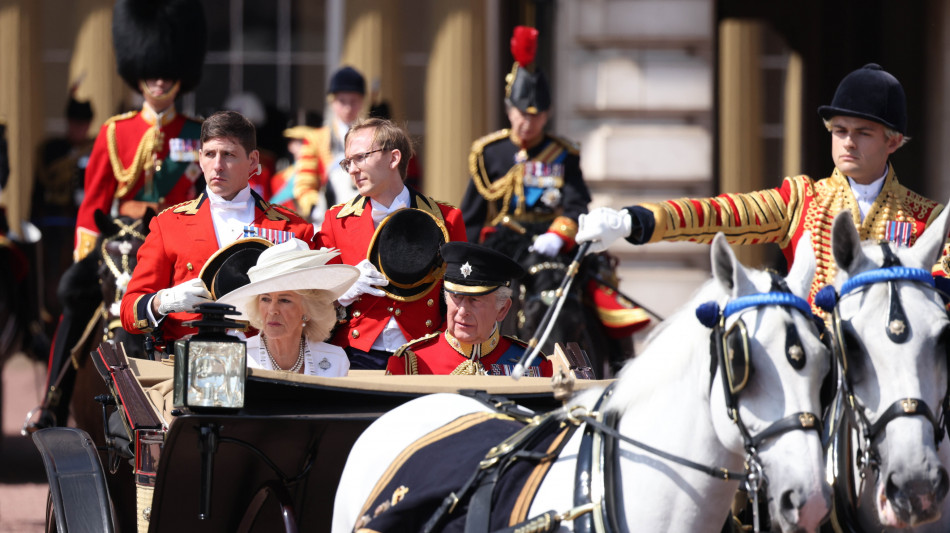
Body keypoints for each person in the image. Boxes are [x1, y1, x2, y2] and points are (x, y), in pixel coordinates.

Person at [576, 63, 947, 303]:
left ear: (892, 142)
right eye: (840, 130)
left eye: (863, 133)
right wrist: (635, 220)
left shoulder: (927, 218)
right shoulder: (802, 199)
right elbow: (721, 215)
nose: (848, 142)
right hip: (812, 370)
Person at [120, 110, 316, 346]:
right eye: (210, 154)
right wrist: (164, 301)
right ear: (200, 158)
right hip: (191, 356)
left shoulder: (293, 228)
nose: (218, 166)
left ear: (253, 160)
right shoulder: (169, 224)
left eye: (229, 155)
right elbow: (129, 311)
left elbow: (317, 307)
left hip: (267, 357)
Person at [314, 117, 467, 369]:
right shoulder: (336, 221)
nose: (352, 170)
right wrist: (344, 290)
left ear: (393, 158)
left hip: (424, 353)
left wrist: (442, 351)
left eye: (360, 157)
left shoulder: (446, 219)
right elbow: (315, 300)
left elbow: (459, 298)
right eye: (348, 162)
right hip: (354, 355)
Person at [74, 0, 207, 262]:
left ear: (180, 78)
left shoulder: (198, 132)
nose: (160, 82)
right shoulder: (115, 131)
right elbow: (95, 200)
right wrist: (87, 256)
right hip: (128, 240)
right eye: (153, 74)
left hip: (182, 235)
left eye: (167, 75)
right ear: (139, 74)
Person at [460, 25, 591, 256]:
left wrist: (558, 235)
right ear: (509, 111)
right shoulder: (489, 153)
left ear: (547, 114)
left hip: (548, 243)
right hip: (502, 244)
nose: (528, 123)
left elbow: (576, 205)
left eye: (536, 115)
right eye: (522, 114)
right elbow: (472, 217)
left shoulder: (563, 153)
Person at [386, 242, 553, 376]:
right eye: (456, 297)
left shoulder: (534, 366)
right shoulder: (411, 363)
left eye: (475, 300)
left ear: (502, 309)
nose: (462, 311)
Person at [216, 238, 359, 376]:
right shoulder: (235, 358)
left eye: (284, 300)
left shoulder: (335, 360)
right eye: (265, 299)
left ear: (308, 310)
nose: (272, 310)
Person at [294, 66, 367, 227]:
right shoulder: (315, 139)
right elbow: (304, 183)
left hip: (365, 212)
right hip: (327, 215)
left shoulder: (371, 137)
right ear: (332, 101)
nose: (348, 108)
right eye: (342, 101)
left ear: (362, 101)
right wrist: (314, 206)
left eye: (353, 101)